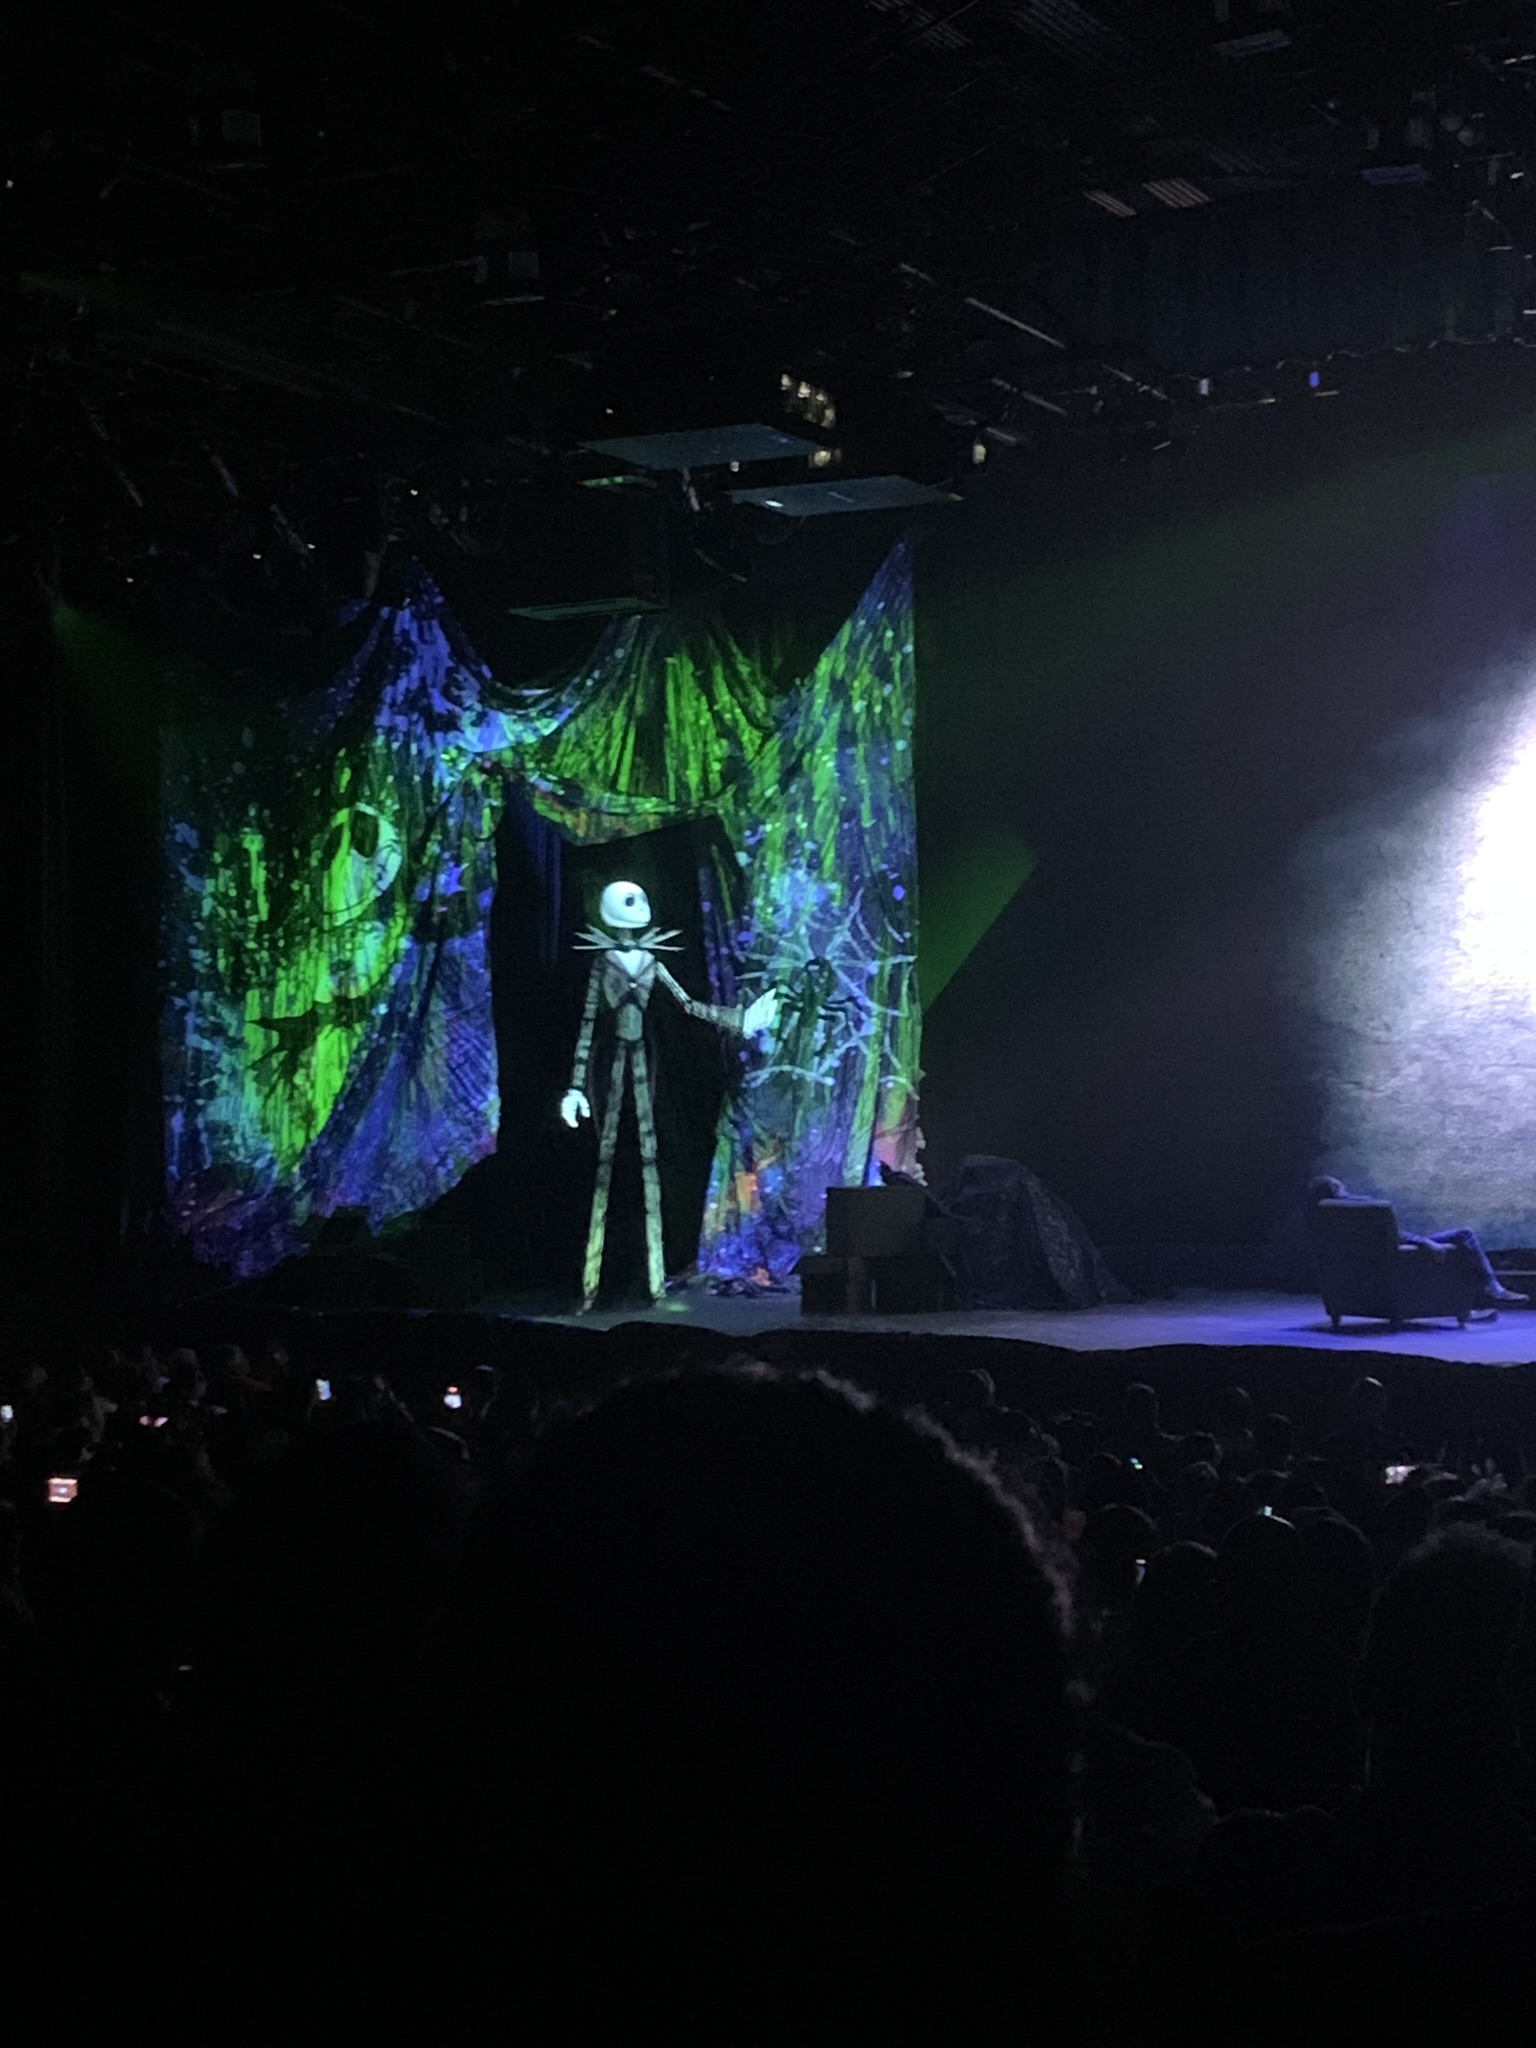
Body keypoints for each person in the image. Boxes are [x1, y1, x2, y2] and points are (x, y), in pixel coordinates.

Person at [1308, 1176, 1527, 1308]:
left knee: (1459, 1242)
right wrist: (1425, 1243)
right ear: (1335, 1190)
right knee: (1464, 1236)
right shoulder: (1361, 1208)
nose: (1346, 1188)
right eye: (1341, 1186)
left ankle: (1477, 1299)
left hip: (1377, 1263)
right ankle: (1492, 1289)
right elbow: (1392, 1236)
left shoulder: (1323, 1217)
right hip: (1399, 1255)